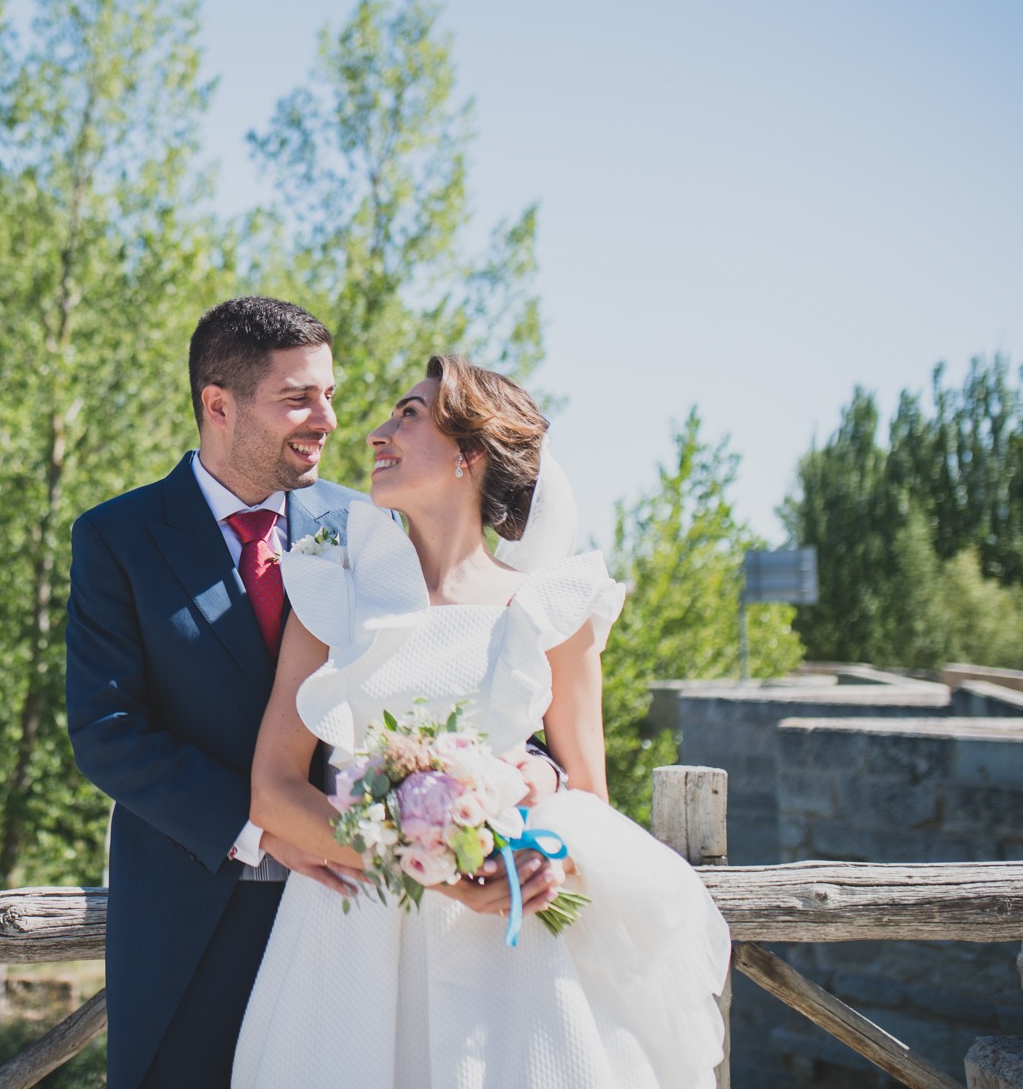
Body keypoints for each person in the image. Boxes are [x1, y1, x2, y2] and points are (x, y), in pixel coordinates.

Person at [233, 354, 731, 1088]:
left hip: (513, 948)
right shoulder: (330, 591)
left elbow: (588, 795)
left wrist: (550, 849)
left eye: (408, 413)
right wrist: (429, 869)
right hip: (350, 941)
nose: (375, 433)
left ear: (470, 452)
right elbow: (272, 792)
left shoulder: (551, 610)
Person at [64, 297, 367, 1089]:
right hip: (186, 927)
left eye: (329, 393)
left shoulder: (367, 526)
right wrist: (265, 829)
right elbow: (107, 729)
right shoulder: (118, 537)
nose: (326, 418)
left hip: (346, 920)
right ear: (218, 404)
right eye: (298, 397)